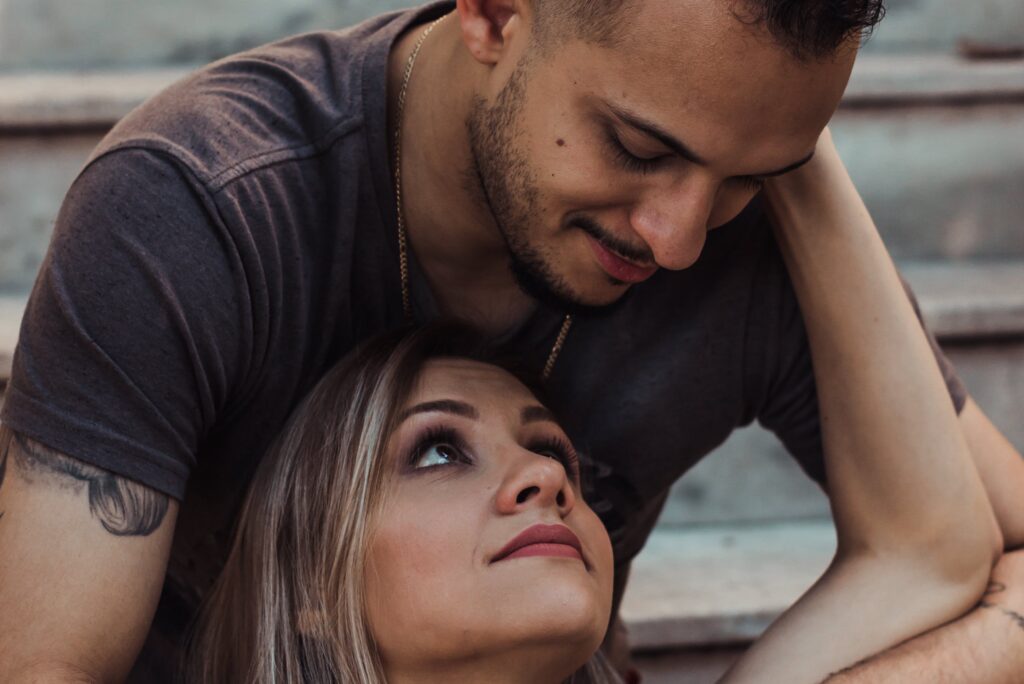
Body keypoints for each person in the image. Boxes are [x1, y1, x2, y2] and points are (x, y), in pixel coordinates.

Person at [1, 1, 1023, 681]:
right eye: (640, 147)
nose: (677, 240)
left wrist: (799, 167)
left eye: (758, 172)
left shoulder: (746, 238)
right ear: (491, 10)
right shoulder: (198, 209)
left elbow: (959, 548)